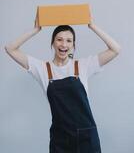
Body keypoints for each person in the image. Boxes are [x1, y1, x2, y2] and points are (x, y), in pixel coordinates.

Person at [5, 12, 121, 153]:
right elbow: (10, 48)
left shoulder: (83, 66)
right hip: (60, 139)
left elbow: (116, 49)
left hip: (86, 137)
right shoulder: (42, 69)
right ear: (53, 42)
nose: (63, 44)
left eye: (68, 40)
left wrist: (92, 25)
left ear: (73, 45)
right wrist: (35, 29)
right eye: (59, 39)